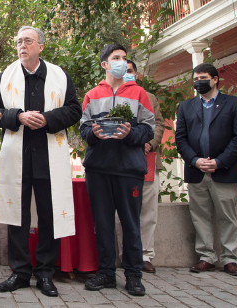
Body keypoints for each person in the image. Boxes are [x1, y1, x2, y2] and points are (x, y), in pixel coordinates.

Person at [0, 26, 82, 297]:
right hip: (17, 157)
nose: (22, 45)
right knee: (17, 216)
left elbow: (74, 109)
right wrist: (18, 116)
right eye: (19, 41)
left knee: (49, 215)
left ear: (40, 46)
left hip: (49, 157)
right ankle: (19, 272)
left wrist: (48, 119)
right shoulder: (4, 77)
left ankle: (45, 273)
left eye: (28, 41)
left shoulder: (59, 76)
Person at [79, 44, 155, 296]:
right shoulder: (92, 95)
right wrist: (94, 133)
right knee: (102, 224)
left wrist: (130, 134)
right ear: (105, 64)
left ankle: (133, 275)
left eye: (124, 58)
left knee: (131, 225)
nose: (122, 61)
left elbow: (149, 129)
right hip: (98, 169)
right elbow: (83, 129)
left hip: (129, 169)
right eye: (116, 58)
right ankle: (106, 273)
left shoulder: (139, 94)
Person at [175, 63, 237, 277]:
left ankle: (230, 259)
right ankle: (206, 257)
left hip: (225, 171)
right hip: (197, 171)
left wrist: (219, 162)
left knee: (227, 217)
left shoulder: (234, 104)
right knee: (200, 216)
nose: (199, 82)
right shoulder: (186, 107)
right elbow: (181, 139)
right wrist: (195, 160)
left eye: (203, 78)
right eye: (196, 78)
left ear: (215, 79)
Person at [115, 60, 165, 274]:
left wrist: (148, 143)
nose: (126, 74)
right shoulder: (109, 97)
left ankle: (144, 255)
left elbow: (159, 123)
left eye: (130, 71)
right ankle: (124, 254)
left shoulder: (149, 97)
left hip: (147, 159)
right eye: (123, 71)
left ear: (136, 74)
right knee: (120, 212)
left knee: (147, 211)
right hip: (119, 161)